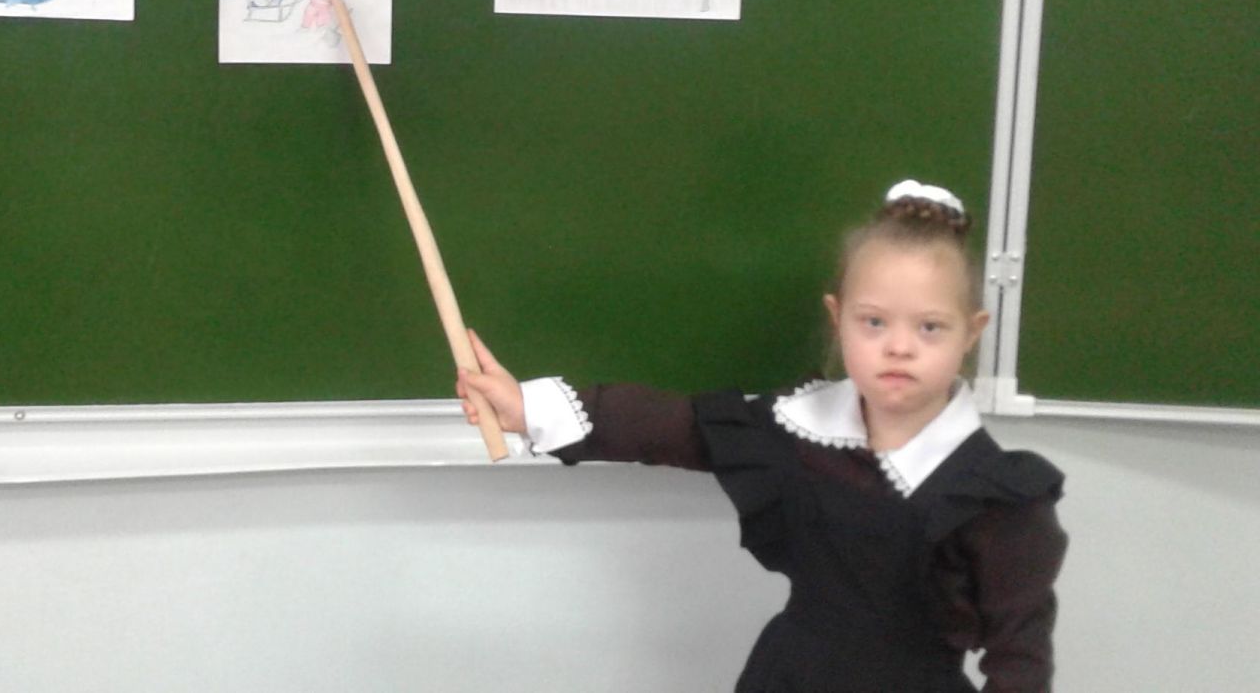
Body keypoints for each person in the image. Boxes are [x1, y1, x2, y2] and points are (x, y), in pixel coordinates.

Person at [457, 180, 1068, 693]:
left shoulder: (998, 496)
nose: (899, 346)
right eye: (874, 322)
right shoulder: (799, 429)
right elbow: (671, 427)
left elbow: (1020, 659)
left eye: (930, 327)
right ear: (838, 319)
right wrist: (526, 408)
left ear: (971, 332)